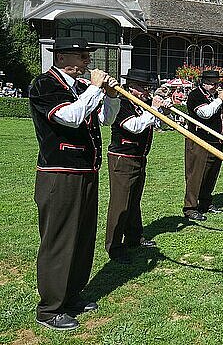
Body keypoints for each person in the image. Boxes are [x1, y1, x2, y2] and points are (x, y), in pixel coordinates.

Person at [29, 37, 121, 330]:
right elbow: (69, 117)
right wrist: (95, 88)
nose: (87, 63)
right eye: (82, 57)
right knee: (59, 240)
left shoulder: (81, 88)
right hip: (59, 174)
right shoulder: (44, 85)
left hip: (86, 172)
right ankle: (49, 308)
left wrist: (109, 95)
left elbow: (105, 119)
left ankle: (72, 294)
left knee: (82, 237)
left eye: (87, 57)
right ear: (62, 57)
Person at [105, 69, 171, 264]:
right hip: (123, 157)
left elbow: (158, 125)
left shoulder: (143, 103)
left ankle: (134, 237)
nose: (147, 92)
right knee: (120, 204)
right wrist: (155, 109)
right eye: (143, 88)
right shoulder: (122, 102)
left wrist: (163, 111)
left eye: (148, 88)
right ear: (132, 86)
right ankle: (114, 247)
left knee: (134, 201)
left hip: (139, 157)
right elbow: (134, 126)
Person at [184, 70, 223, 219]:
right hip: (199, 141)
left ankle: (205, 202)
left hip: (216, 140)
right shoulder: (195, 95)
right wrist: (219, 99)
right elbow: (205, 113)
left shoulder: (214, 96)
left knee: (211, 174)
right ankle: (190, 207)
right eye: (213, 84)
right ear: (204, 83)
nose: (216, 87)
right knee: (196, 175)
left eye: (217, 84)